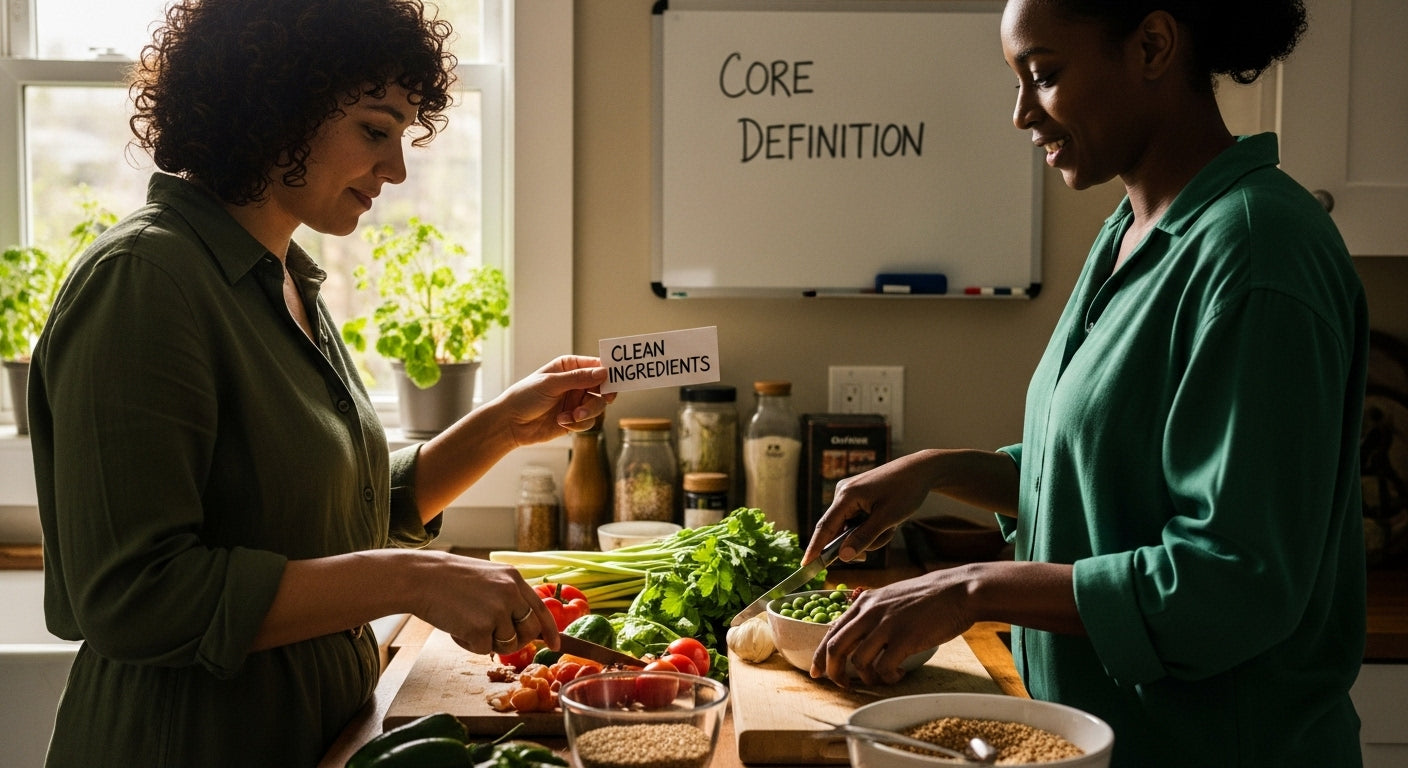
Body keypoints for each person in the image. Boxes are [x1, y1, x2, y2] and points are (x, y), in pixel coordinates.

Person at [27, 1, 610, 765]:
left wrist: (505, 423)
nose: (396, 169)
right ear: (272, 107)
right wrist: (412, 578)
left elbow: (346, 514)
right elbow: (135, 597)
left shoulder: (280, 280)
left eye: (403, 136)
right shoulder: (145, 280)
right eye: (376, 129)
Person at [807, 1, 1368, 765]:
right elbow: (1106, 480)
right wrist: (940, 472)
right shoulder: (1131, 231)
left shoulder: (1258, 251)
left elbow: (1233, 585)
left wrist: (971, 589)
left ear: (1152, 45)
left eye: (1044, 76)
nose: (1020, 115)